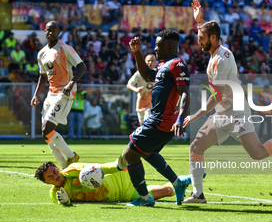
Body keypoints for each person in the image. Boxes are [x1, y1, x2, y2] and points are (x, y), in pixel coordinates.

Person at [184, 0, 272, 204]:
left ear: (213, 38)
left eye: (201, 37)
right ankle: (198, 194)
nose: (198, 40)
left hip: (236, 113)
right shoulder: (214, 50)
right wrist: (200, 20)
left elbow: (216, 95)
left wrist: (196, 115)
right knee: (196, 147)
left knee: (259, 153)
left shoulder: (222, 58)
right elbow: (207, 33)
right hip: (222, 113)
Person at [124, 29, 191, 207]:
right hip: (158, 119)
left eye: (158, 45)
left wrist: (180, 119)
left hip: (162, 120)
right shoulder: (163, 65)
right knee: (147, 153)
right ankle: (178, 183)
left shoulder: (177, 64)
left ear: (169, 45)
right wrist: (137, 52)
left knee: (130, 155)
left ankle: (145, 199)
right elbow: (147, 75)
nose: (155, 48)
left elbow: (185, 94)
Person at [31, 21, 87, 170]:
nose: (51, 33)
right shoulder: (41, 53)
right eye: (49, 30)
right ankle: (64, 167)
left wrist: (71, 83)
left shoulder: (65, 49)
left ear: (59, 32)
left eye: (54, 30)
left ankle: (71, 156)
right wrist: (36, 94)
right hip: (51, 93)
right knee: (46, 135)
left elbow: (82, 66)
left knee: (46, 128)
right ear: (45, 31)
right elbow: (43, 76)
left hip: (65, 92)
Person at [34, 156, 188, 205]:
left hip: (119, 178)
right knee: (167, 191)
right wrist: (66, 203)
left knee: (135, 154)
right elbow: (60, 202)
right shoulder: (56, 194)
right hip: (125, 194)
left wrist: (118, 167)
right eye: (51, 177)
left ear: (57, 168)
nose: (55, 176)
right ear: (48, 182)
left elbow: (100, 168)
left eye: (54, 171)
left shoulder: (73, 170)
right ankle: (183, 182)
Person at [126, 54, 156, 125]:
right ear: (145, 62)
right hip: (141, 103)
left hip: (152, 103)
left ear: (155, 62)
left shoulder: (158, 73)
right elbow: (129, 84)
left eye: (152, 61)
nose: (150, 63)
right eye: (148, 61)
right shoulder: (139, 73)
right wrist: (136, 89)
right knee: (142, 124)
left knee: (147, 120)